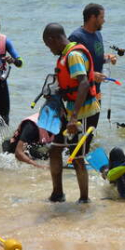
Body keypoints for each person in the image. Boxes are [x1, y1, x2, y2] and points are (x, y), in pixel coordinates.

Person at [42, 23, 100, 203]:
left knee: (77, 157)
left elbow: (83, 84)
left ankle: (84, 199)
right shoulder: (65, 55)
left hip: (83, 113)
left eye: (47, 44)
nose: (48, 49)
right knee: (54, 151)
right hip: (69, 111)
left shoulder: (73, 55)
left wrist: (73, 118)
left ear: (53, 39)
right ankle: (57, 193)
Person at [68, 3, 117, 130]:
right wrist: (92, 75)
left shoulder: (97, 34)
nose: (104, 21)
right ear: (92, 17)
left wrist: (107, 59)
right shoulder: (76, 37)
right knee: (80, 134)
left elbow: (94, 58)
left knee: (91, 131)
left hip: (96, 92)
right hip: (82, 95)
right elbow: (70, 64)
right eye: (101, 17)